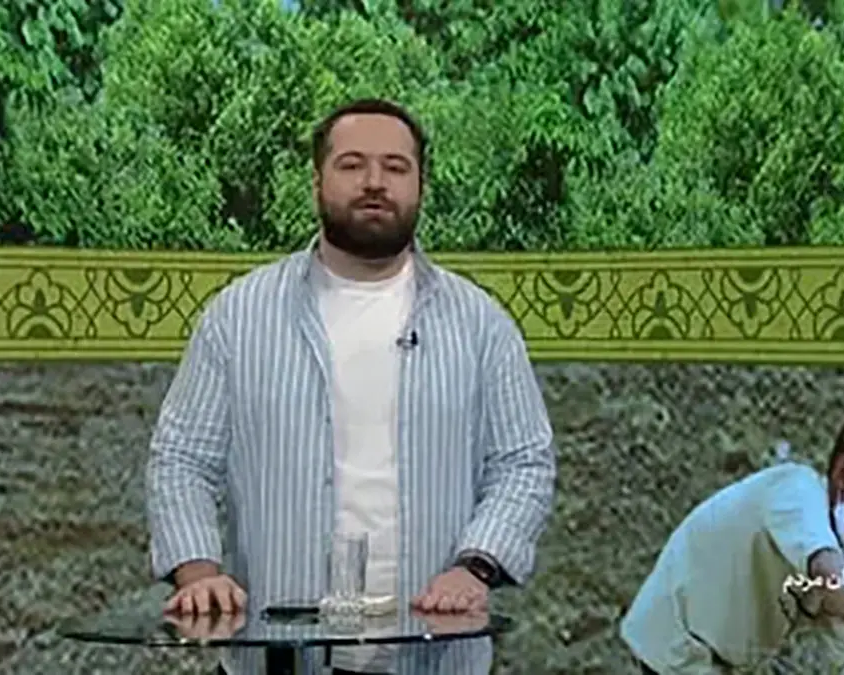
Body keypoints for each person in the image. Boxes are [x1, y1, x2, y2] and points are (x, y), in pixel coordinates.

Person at [145, 98, 556, 675]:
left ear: (420, 185)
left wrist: (475, 566)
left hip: (436, 657)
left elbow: (524, 462)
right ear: (317, 181)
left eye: (395, 167)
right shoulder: (238, 316)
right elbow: (181, 459)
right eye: (352, 164)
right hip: (275, 659)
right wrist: (198, 572)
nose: (374, 182)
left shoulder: (480, 323)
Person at [619, 406, 844, 674]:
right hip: (672, 647)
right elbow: (828, 572)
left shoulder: (840, 569)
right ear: (843, 474)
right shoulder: (797, 490)